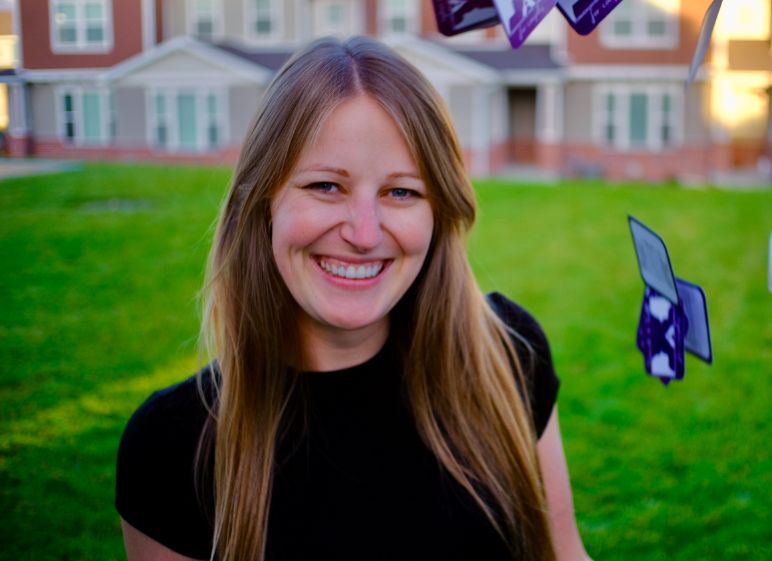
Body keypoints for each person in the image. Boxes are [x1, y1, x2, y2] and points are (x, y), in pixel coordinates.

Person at [115, 36, 591, 561]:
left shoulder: (508, 356)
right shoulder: (170, 448)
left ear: (439, 214)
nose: (364, 233)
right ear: (262, 201)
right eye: (325, 186)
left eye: (401, 192)